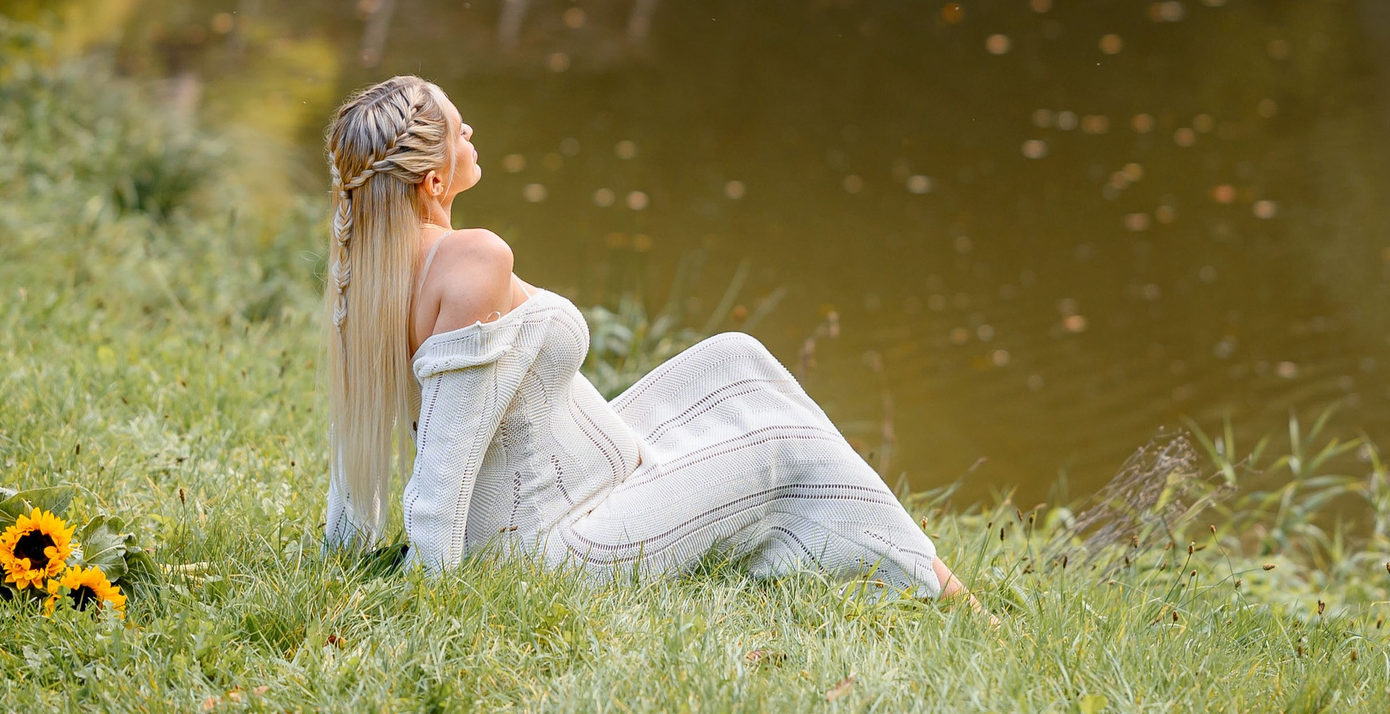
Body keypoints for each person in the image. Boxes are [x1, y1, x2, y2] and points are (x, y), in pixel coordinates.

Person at [318, 74, 971, 599]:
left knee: (733, 358)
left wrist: (343, 548)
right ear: (433, 181)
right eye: (458, 128)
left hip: (577, 487)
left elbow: (357, 455)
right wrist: (428, 587)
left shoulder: (365, 277)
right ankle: (946, 597)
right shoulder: (472, 260)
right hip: (552, 551)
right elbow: (444, 462)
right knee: (783, 443)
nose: (469, 131)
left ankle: (854, 554)